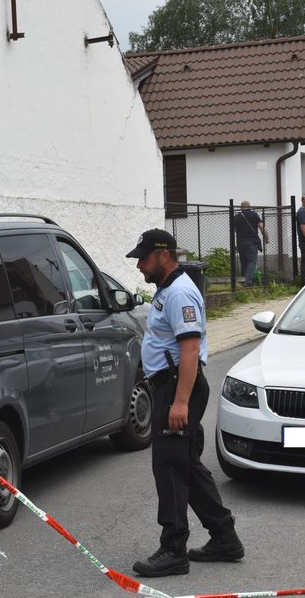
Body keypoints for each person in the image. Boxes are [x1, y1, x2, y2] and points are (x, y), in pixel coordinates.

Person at [126, 229, 243, 578]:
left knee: (170, 468)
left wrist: (180, 403)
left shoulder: (180, 293)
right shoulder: (168, 289)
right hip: (173, 387)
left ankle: (173, 549)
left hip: (179, 389)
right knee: (186, 465)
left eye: (144, 258)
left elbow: (190, 350)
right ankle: (224, 537)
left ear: (164, 256)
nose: (140, 266)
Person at [233, 201, 269, 287]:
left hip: (240, 243)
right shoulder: (254, 215)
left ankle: (243, 280)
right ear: (250, 207)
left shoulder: (236, 217)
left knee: (244, 262)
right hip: (252, 242)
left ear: (241, 207)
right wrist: (267, 237)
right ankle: (248, 282)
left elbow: (233, 231)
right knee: (252, 262)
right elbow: (261, 227)